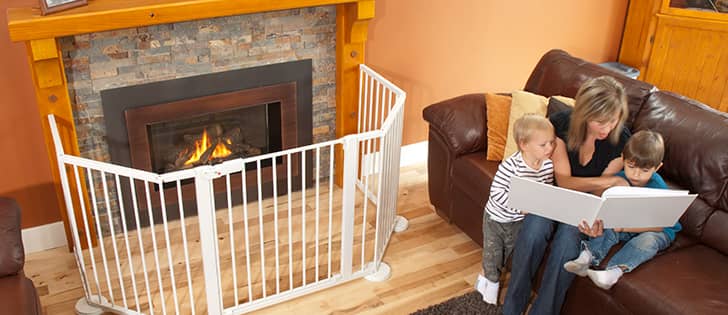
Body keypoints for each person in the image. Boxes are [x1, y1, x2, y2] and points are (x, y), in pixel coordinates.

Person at [503, 76, 631, 315]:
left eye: (613, 121)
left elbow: (601, 193)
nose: (607, 128)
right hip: (552, 197)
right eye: (599, 121)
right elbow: (563, 181)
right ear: (584, 113)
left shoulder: (621, 140)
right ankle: (512, 308)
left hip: (582, 208)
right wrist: (610, 180)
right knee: (533, 229)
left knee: (567, 242)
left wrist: (600, 209)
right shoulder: (560, 124)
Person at [563, 130, 681, 289]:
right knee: (605, 224)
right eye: (631, 167)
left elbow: (659, 225)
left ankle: (613, 273)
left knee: (647, 241)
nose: (636, 175)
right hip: (624, 226)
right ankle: (586, 257)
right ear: (623, 159)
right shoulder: (619, 178)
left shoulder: (657, 187)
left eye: (645, 170)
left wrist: (625, 226)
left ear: (657, 167)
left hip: (655, 229)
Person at [475, 114, 556, 304]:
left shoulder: (547, 166)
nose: (550, 148)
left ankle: (484, 278)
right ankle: (491, 288)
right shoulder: (511, 166)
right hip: (496, 219)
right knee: (493, 254)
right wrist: (519, 207)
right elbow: (496, 191)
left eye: (551, 143)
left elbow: (545, 190)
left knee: (506, 254)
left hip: (517, 223)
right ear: (524, 144)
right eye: (543, 145)